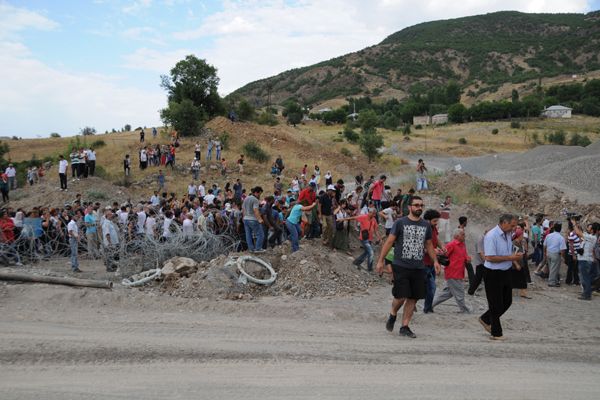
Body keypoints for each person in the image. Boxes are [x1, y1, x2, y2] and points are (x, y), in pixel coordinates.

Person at [376, 196, 441, 338]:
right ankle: (393, 314)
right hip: (401, 265)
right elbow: (389, 242)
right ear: (409, 207)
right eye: (416, 205)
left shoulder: (426, 225)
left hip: (418, 267)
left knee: (413, 298)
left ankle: (404, 326)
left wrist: (435, 261)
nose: (419, 207)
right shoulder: (400, 223)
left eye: (421, 205)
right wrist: (381, 260)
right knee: (401, 296)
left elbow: (429, 245)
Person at [478, 214, 523, 340]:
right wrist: (511, 258)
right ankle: (496, 333)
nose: (514, 228)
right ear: (504, 223)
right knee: (495, 303)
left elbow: (507, 252)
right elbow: (490, 257)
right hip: (493, 273)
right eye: (512, 225)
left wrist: (514, 260)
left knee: (507, 301)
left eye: (515, 225)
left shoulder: (508, 234)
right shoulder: (492, 236)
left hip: (506, 271)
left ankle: (485, 319)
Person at [431, 228, 470, 313]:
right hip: (453, 272)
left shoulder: (463, 245)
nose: (464, 236)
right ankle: (464, 310)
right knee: (460, 292)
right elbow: (442, 254)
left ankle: (430, 305)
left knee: (447, 293)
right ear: (457, 236)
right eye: (463, 234)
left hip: (459, 272)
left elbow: (464, 255)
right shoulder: (452, 244)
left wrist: (467, 259)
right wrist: (438, 265)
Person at [347, 207, 382, 271]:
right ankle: (370, 268)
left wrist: (379, 237)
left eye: (375, 214)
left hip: (370, 239)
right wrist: (342, 219)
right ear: (370, 212)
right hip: (363, 238)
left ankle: (356, 262)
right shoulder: (363, 217)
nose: (374, 215)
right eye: (373, 214)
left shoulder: (374, 220)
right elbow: (353, 218)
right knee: (371, 252)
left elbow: (376, 230)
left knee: (367, 252)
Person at [572, 220, 599, 300]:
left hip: (585, 260)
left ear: (593, 230)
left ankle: (587, 295)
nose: (589, 229)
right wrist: (577, 224)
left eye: (590, 228)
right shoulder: (590, 236)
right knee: (585, 277)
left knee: (585, 278)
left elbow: (578, 233)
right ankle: (586, 292)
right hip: (585, 259)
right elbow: (579, 233)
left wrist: (574, 224)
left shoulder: (592, 237)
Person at [422, 209, 441, 313]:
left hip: (432, 262)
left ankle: (427, 308)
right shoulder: (423, 229)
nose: (436, 223)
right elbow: (420, 247)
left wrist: (442, 247)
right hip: (423, 263)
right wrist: (431, 250)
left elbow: (436, 239)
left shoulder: (433, 228)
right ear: (428, 220)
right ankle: (426, 308)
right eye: (434, 221)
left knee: (431, 287)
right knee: (429, 287)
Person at [242, 186, 265, 253]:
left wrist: (244, 217)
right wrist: (260, 219)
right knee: (260, 234)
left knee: (248, 234)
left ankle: (251, 249)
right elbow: (256, 210)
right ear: (256, 192)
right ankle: (258, 248)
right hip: (253, 219)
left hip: (246, 219)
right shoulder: (255, 200)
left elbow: (243, 209)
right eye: (260, 194)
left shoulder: (246, 198)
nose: (259, 196)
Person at [544, 222, 566, 287]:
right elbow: (562, 250)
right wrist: (563, 257)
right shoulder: (561, 238)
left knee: (552, 268)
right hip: (556, 254)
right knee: (554, 268)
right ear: (560, 229)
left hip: (548, 252)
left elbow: (544, 245)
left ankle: (555, 280)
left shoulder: (549, 235)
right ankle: (551, 282)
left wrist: (545, 253)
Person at [468, 230, 487, 295]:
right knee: (478, 278)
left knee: (479, 277)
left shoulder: (484, 239)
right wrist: (486, 261)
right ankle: (471, 291)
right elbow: (480, 252)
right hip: (481, 262)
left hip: (483, 262)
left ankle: (471, 291)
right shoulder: (481, 239)